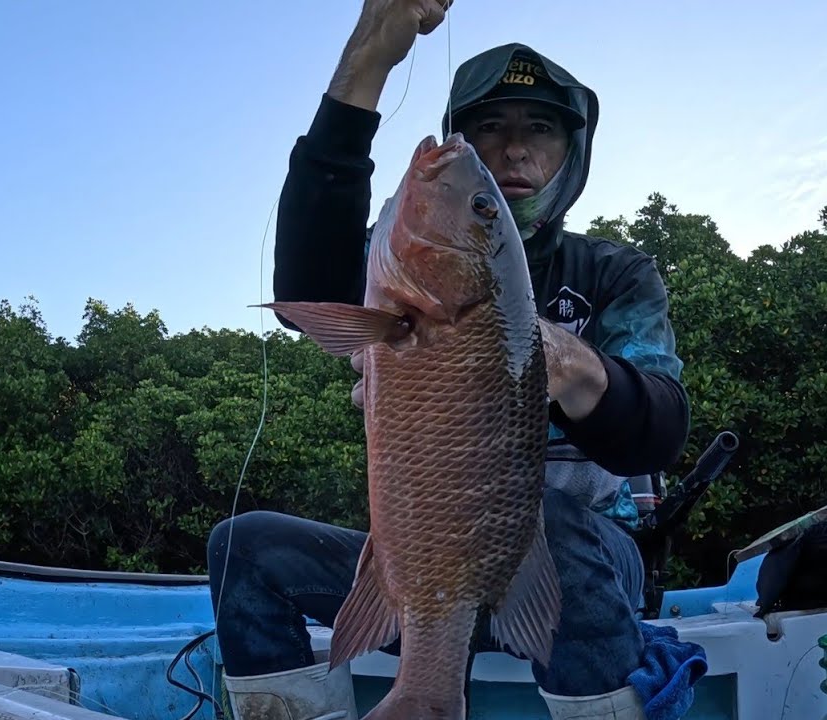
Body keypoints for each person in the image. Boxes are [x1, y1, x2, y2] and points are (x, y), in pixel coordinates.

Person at [207, 1, 691, 718]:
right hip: (423, 552)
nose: (513, 150)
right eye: (488, 127)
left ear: (572, 151)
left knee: (551, 516)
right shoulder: (396, 264)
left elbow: (662, 431)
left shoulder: (616, 273)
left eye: (541, 129)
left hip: (584, 563)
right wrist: (369, 58)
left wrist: (570, 366)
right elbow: (304, 288)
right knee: (240, 548)